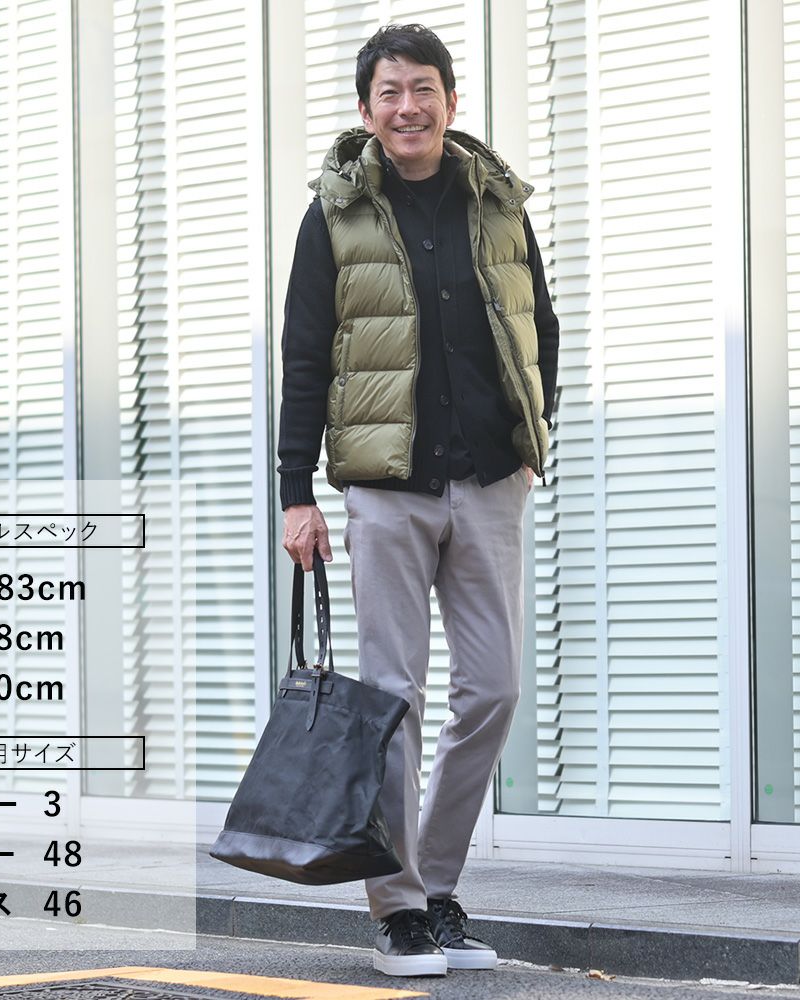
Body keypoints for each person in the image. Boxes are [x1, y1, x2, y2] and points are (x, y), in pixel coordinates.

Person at [276, 23, 559, 978]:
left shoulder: (498, 205)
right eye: (390, 92)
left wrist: (532, 438)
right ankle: (397, 909)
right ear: (366, 110)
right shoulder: (335, 216)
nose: (409, 107)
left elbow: (540, 328)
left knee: (494, 689)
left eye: (423, 89)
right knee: (392, 698)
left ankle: (436, 887)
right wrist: (296, 494)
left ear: (450, 100)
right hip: (387, 491)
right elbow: (305, 359)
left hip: (488, 481)